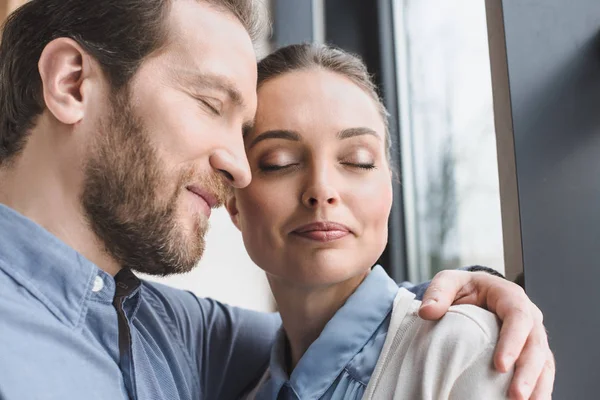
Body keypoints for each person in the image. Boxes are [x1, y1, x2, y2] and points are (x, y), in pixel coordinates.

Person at [0, 1, 552, 399]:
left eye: (358, 162)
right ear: (73, 84)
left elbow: (339, 327)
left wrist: (479, 292)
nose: (235, 167)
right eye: (209, 104)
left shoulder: (173, 334)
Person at [227, 43, 523, 399]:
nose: (321, 189)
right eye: (279, 162)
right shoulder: (239, 384)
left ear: (390, 186)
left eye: (358, 160)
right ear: (233, 204)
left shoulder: (463, 349)